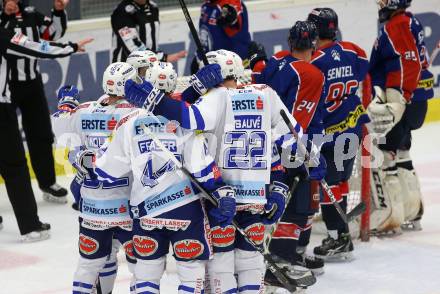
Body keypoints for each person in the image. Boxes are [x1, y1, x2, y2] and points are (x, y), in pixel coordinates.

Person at [123, 49, 327, 293]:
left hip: (220, 197)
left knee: (220, 266)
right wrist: (313, 158)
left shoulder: (217, 97)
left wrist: (156, 101)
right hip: (256, 198)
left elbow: (188, 118)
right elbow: (291, 136)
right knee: (250, 264)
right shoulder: (266, 94)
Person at [87, 78, 236, 293]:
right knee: (191, 274)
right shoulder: (184, 119)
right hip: (185, 211)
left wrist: (89, 161)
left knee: (146, 275)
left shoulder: (128, 122)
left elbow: (108, 171)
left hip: (146, 214)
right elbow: (201, 168)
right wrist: (222, 192)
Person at [52, 63, 140, 294]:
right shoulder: (136, 113)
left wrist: (65, 106)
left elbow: (60, 130)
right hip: (127, 208)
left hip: (92, 207)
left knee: (89, 265)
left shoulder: (83, 110)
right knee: (142, 268)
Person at [248, 21, 327, 275]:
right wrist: (309, 153)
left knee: (275, 203)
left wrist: (257, 64)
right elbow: (296, 121)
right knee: (297, 205)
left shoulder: (275, 61)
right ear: (314, 44)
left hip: (259, 143)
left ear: (290, 42)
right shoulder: (312, 75)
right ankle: (281, 259)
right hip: (286, 147)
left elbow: (258, 81)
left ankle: (287, 255)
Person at [0, 27, 91, 242]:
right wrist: (71, 47)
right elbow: (36, 47)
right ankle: (31, 227)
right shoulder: (3, 35)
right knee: (14, 167)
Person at [307, 7, 370, 260]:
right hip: (353, 129)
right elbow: (365, 74)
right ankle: (341, 234)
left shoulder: (314, 61)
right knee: (340, 183)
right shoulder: (354, 50)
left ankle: (338, 238)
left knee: (329, 187)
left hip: (328, 137)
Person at [1, 0, 70, 203]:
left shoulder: (32, 14)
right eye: (7, 0)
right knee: (5, 138)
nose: (12, 3)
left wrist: (58, 11)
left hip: (32, 84)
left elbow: (53, 34)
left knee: (41, 133)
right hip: (6, 87)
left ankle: (48, 182)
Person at [367, 0, 427, 234]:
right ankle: (412, 210)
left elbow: (407, 64)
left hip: (400, 98)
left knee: (386, 155)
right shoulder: (408, 20)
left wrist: (397, 99)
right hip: (412, 97)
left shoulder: (398, 25)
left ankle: (391, 217)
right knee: (401, 152)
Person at [111, 0, 186, 63]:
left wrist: (156, 60)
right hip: (125, 68)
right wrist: (163, 58)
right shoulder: (121, 11)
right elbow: (133, 47)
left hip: (150, 66)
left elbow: (151, 42)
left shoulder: (153, 6)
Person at [192, 0, 252, 73]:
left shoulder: (230, 3)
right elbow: (205, 37)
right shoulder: (206, 6)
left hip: (234, 67)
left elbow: (234, 15)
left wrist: (230, 15)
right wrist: (199, 58)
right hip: (212, 66)